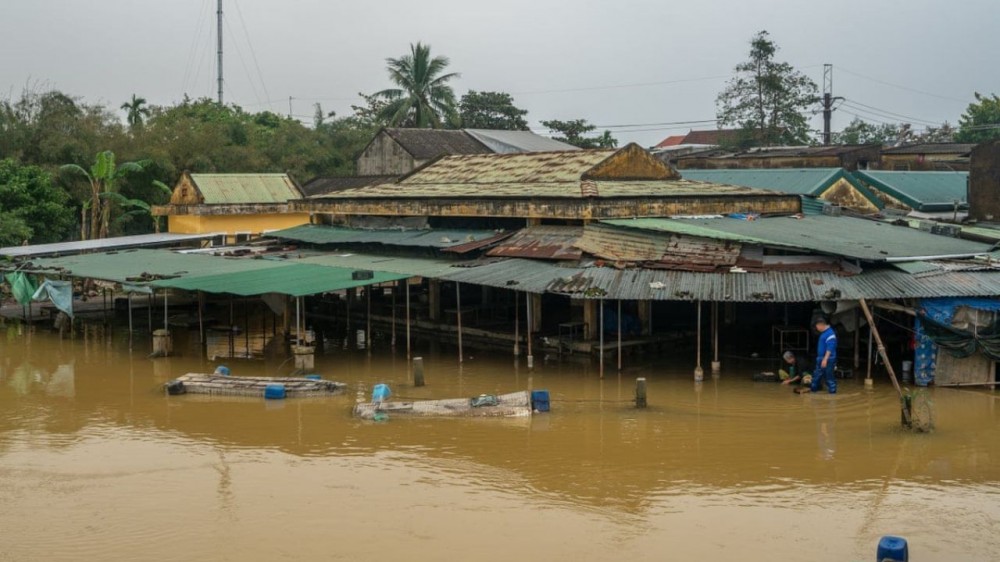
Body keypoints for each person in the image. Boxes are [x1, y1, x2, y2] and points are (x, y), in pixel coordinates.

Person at [809, 317, 838, 394]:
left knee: (829, 377)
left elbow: (830, 348)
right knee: (817, 376)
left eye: (816, 327)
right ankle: (813, 391)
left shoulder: (830, 334)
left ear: (820, 325)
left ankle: (832, 394)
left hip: (827, 359)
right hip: (822, 358)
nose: (816, 328)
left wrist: (825, 359)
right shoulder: (825, 333)